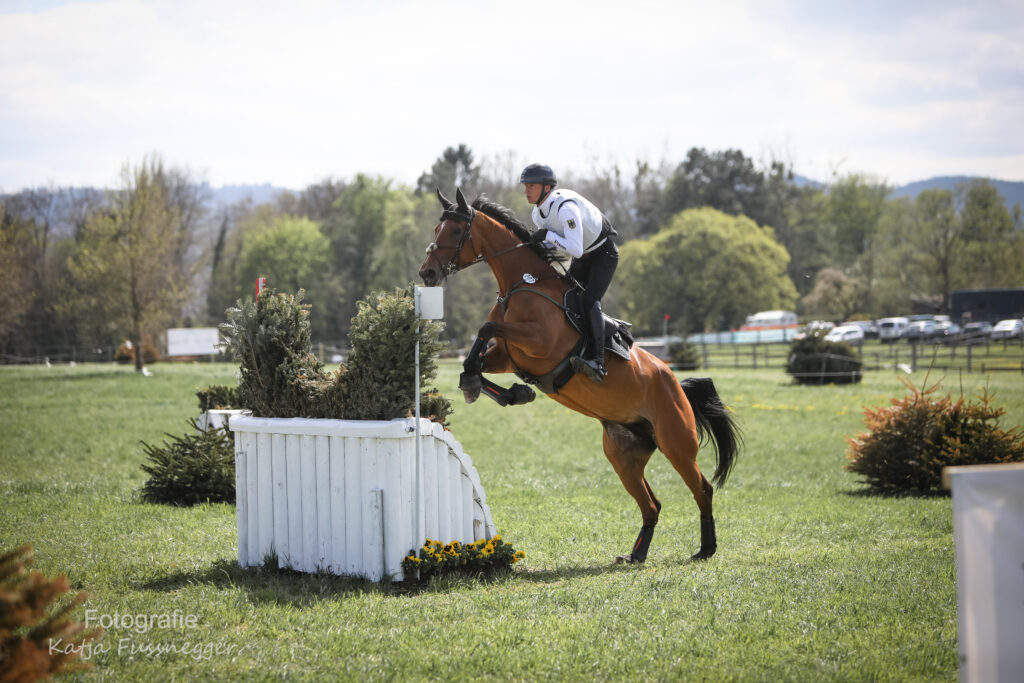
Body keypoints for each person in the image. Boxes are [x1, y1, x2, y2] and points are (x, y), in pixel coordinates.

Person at [520, 163, 618, 382]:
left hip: (603, 256)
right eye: (525, 186)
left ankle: (599, 362)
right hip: (583, 259)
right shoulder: (537, 214)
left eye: (531, 186)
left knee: (589, 299)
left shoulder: (565, 208)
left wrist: (546, 236)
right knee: (566, 297)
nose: (526, 190)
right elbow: (560, 246)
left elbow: (575, 248)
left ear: (547, 188)